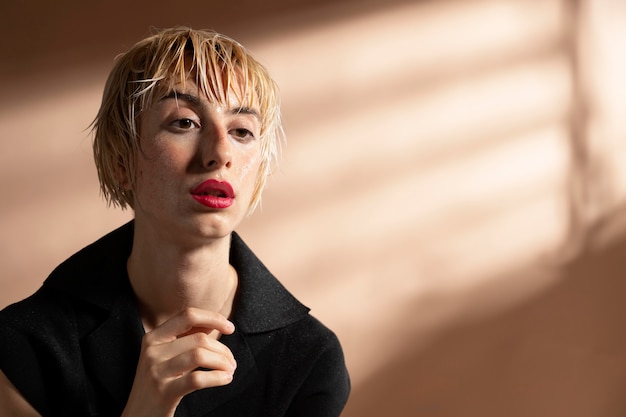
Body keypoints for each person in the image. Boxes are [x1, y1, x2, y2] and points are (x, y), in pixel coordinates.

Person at [0, 27, 350, 417]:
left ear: (259, 170)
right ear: (122, 164)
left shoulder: (309, 359)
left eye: (242, 131)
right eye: (184, 122)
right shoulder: (22, 348)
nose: (219, 153)